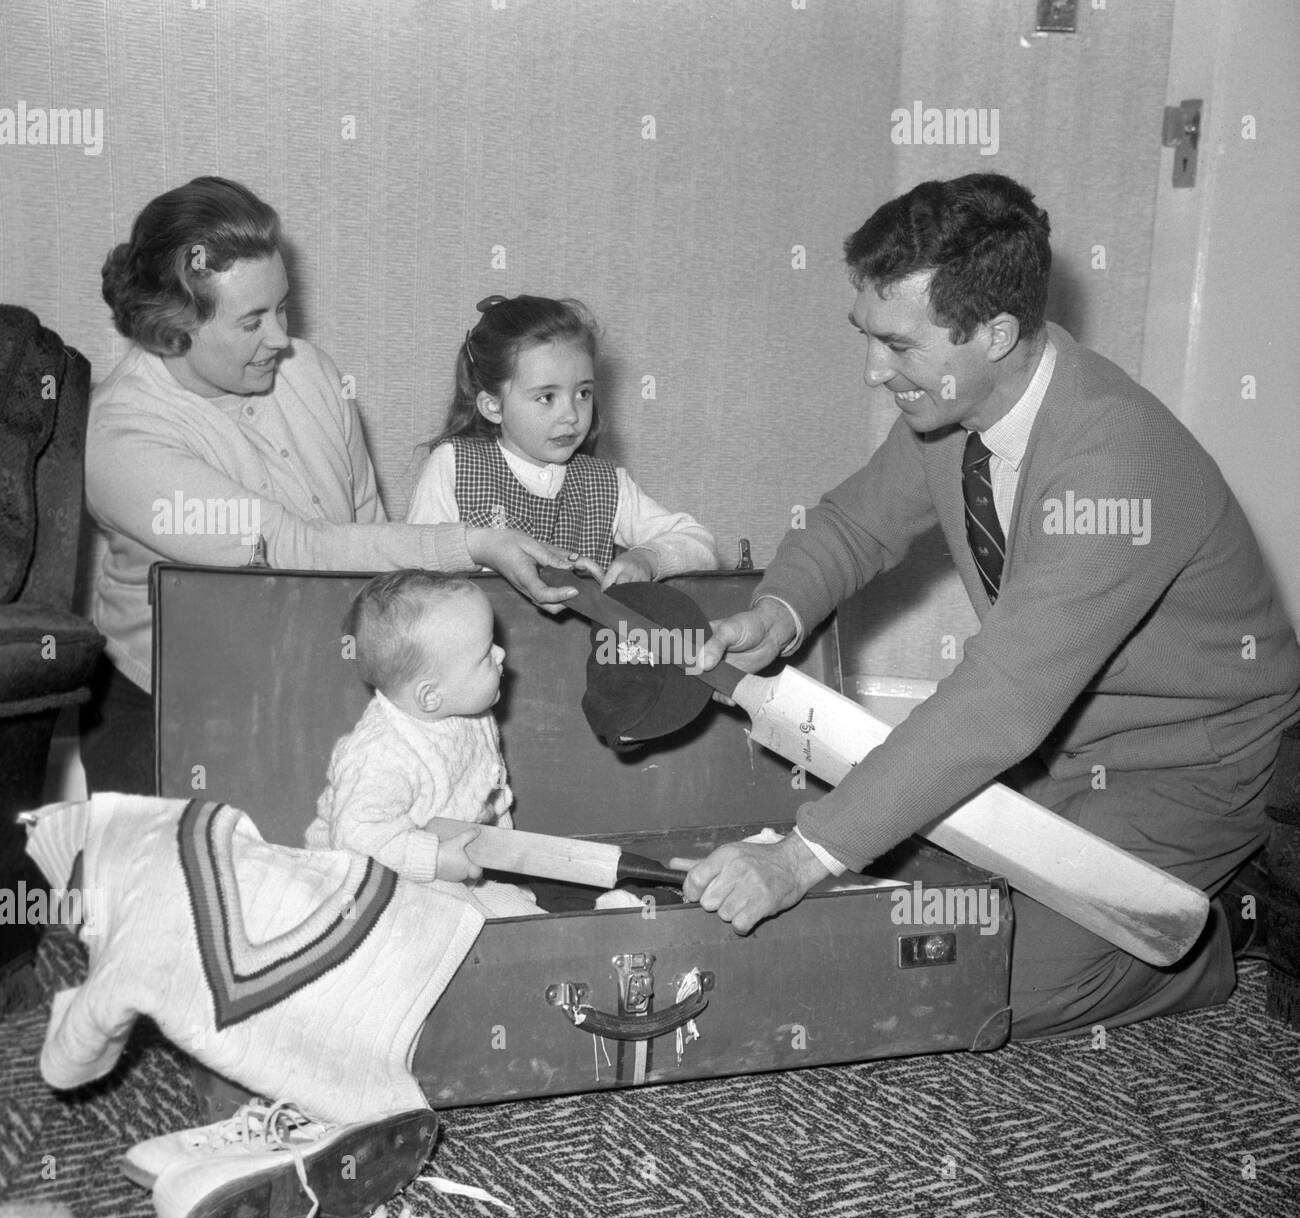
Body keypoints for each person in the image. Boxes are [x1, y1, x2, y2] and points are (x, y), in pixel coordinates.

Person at [684, 173, 1300, 1040]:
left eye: (898, 345)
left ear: (997, 333)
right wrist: (780, 609)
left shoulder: (1116, 459)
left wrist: (800, 858)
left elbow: (1001, 700)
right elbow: (856, 525)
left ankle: (1221, 931)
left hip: (1193, 766)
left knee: (971, 979)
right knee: (906, 897)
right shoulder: (951, 408)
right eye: (866, 336)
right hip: (1061, 748)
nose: (872, 371)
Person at [82, 177, 580, 795]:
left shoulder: (310, 373)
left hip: (314, 676)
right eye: (251, 321)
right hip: (172, 710)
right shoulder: (119, 435)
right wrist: (474, 543)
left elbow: (366, 530)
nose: (281, 338)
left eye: (282, 306)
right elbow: (294, 549)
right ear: (171, 328)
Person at [406, 294, 718, 587]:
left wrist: (648, 558)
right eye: (546, 397)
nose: (571, 414)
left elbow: (698, 542)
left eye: (583, 393)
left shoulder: (606, 485)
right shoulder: (454, 465)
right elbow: (412, 573)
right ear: (493, 406)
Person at [304, 571, 510, 883]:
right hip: (358, 879)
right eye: (486, 655)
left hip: (449, 864)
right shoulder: (381, 754)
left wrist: (505, 853)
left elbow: (487, 787)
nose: (502, 654)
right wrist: (435, 860)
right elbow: (355, 837)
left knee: (516, 909)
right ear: (430, 696)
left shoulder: (471, 712)